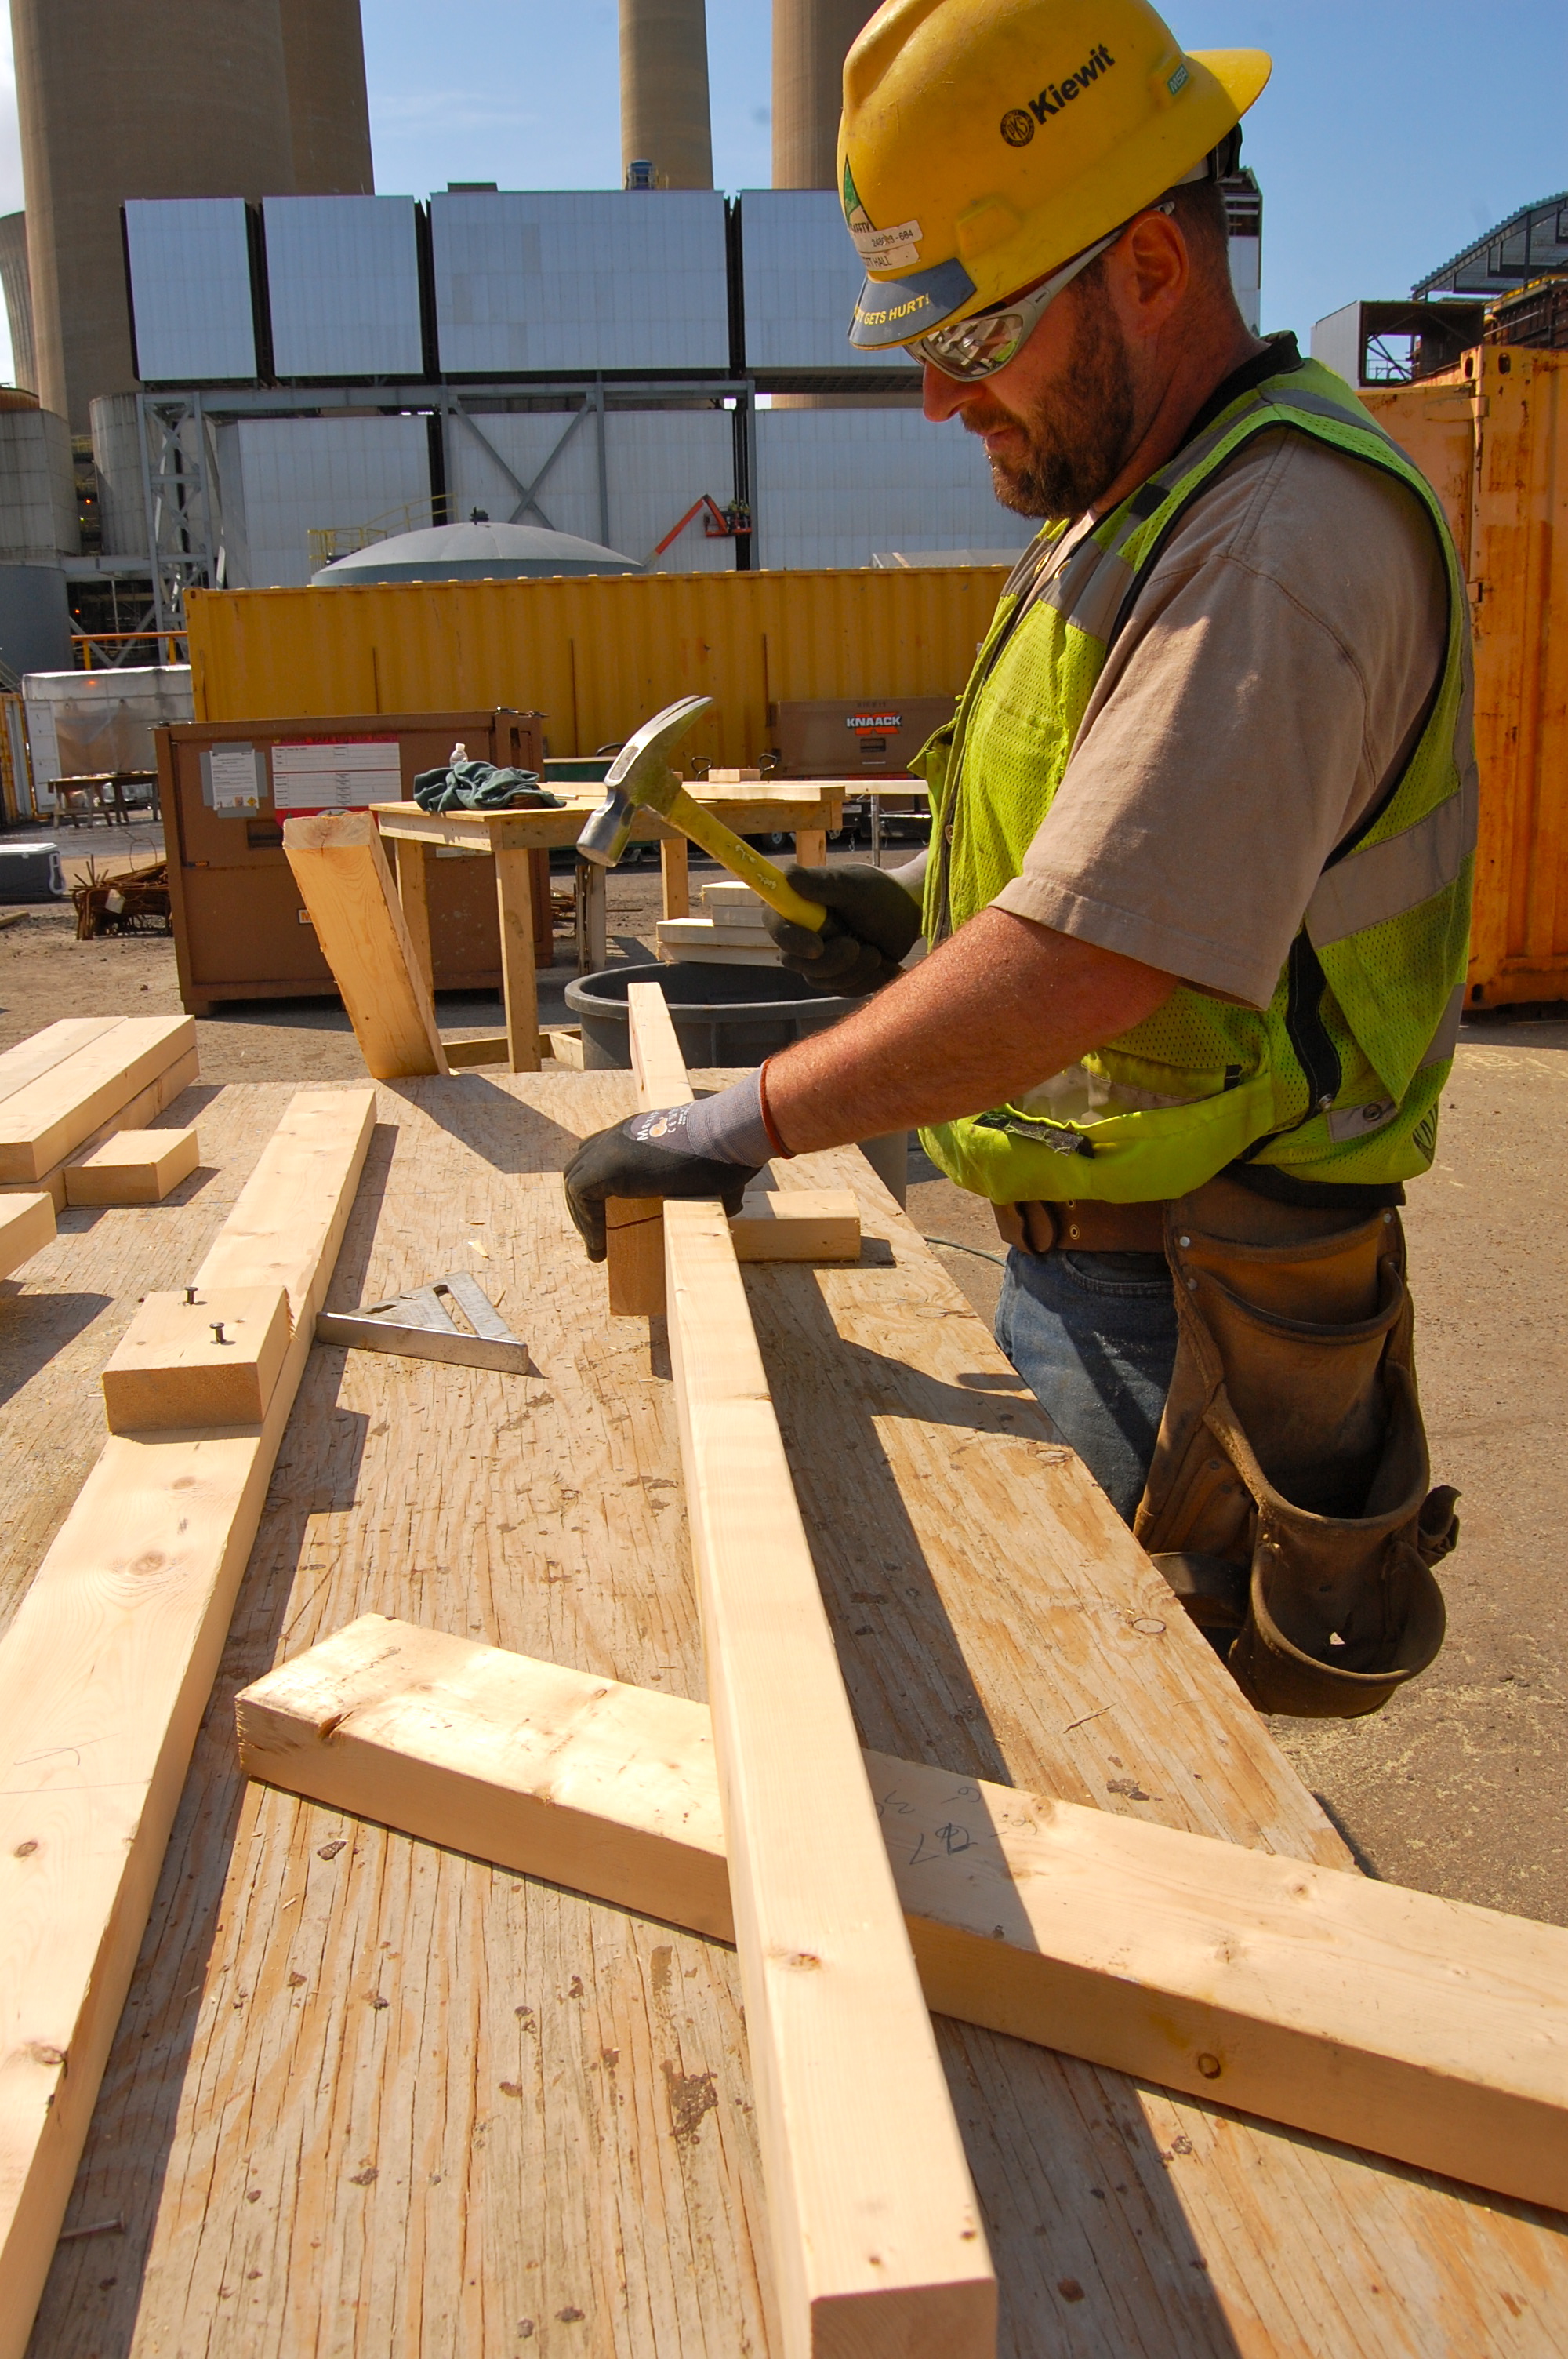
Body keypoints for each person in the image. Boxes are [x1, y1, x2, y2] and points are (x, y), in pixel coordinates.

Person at [566, 0, 1471, 1717]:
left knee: (1122, 1795)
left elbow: (1093, 957)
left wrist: (733, 1119)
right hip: (1106, 1251)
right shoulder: (1123, 509)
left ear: (1145, 262)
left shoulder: (1274, 533)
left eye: (970, 332)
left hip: (1195, 1291)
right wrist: (912, 932)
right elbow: (1100, 856)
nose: (930, 395)